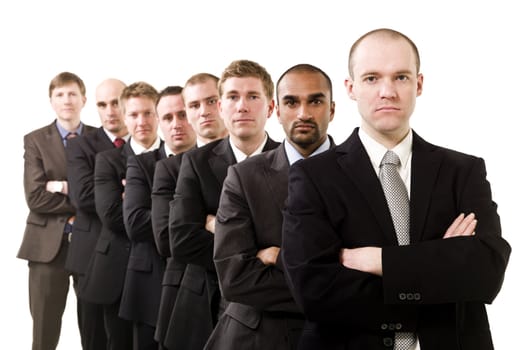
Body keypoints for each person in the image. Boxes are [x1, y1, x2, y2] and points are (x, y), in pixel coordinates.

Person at [281, 28, 511, 350]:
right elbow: (315, 292)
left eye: (400, 77)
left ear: (418, 84)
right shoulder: (312, 176)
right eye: (372, 78)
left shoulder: (463, 171)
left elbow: (486, 271)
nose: (387, 91)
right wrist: (439, 266)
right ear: (351, 88)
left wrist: (382, 262)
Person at [206, 64, 336, 350]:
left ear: (332, 109)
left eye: (315, 101)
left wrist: (279, 258)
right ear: (277, 110)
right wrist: (335, 289)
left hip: (341, 338)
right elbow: (235, 278)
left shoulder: (361, 172)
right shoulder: (243, 176)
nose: (303, 113)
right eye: (291, 102)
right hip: (259, 338)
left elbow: (375, 275)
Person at [168, 60, 280, 350]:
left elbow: (293, 242)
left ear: (270, 108)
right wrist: (256, 252)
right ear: (221, 106)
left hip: (272, 311)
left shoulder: (291, 162)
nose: (242, 106)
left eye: (253, 96)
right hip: (205, 302)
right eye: (232, 97)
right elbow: (181, 240)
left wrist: (219, 226)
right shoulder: (195, 162)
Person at [17, 72, 95, 350]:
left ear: (84, 99)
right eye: (60, 95)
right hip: (47, 247)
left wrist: (62, 186)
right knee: (44, 329)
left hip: (91, 244)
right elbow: (36, 197)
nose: (67, 100)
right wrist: (84, 195)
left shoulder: (99, 139)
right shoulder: (35, 140)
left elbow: (105, 194)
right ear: (51, 101)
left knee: (96, 327)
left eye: (72, 93)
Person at [81, 81, 161, 350]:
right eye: (134, 114)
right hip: (116, 270)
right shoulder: (108, 160)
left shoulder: (175, 158)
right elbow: (113, 216)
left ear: (158, 113)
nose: (141, 121)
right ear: (125, 117)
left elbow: (186, 217)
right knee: (118, 342)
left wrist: (135, 201)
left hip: (159, 270)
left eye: (148, 113)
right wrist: (160, 205)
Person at [151, 73, 227, 350]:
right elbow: (169, 239)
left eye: (212, 101)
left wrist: (209, 223)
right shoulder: (171, 168)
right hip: (191, 297)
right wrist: (246, 240)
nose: (204, 111)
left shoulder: (268, 158)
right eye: (194, 106)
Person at [122, 85, 196, 350]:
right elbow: (134, 223)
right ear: (159, 121)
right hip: (150, 284)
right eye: (167, 117)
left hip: (199, 284)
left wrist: (165, 212)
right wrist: (197, 216)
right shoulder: (142, 164)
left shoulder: (216, 160)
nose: (176, 124)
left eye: (183, 114)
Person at [66, 78, 129, 350]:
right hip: (90, 255)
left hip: (133, 256)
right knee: (94, 339)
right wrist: (131, 194)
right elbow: (83, 196)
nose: (110, 111)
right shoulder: (81, 146)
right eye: (103, 104)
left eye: (116, 102)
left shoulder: (146, 142)